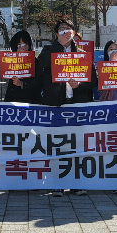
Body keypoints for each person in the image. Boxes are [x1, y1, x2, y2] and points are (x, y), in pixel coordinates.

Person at [33, 18, 95, 196]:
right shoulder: (48, 50)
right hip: (55, 104)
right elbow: (40, 66)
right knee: (56, 144)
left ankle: (77, 183)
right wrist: (58, 46)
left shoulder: (82, 54)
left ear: (74, 32)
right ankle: (57, 183)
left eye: (68, 29)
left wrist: (79, 86)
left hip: (75, 105)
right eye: (61, 29)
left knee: (77, 145)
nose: (65, 31)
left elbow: (93, 81)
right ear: (56, 33)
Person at [4, 30, 41, 104]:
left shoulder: (35, 61)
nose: (23, 48)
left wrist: (22, 84)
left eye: (25, 44)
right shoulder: (11, 60)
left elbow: (40, 82)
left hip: (32, 101)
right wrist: (17, 57)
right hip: (13, 100)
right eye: (19, 45)